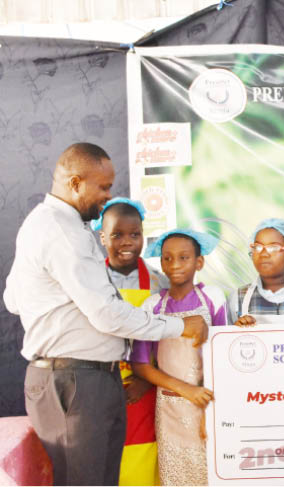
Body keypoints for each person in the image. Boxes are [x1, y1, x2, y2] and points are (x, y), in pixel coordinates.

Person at [2, 143, 208, 486]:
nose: (107, 196)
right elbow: (108, 316)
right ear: (76, 183)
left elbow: (12, 299)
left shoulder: (44, 224)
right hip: (75, 381)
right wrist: (180, 325)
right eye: (103, 187)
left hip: (85, 378)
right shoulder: (63, 233)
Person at [131, 229, 227, 486]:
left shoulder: (213, 299)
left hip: (206, 403)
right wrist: (184, 389)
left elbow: (222, 360)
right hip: (169, 407)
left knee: (209, 474)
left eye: (184, 258)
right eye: (167, 258)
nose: (174, 265)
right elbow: (140, 364)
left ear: (199, 262)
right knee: (175, 477)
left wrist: (213, 412)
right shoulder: (152, 307)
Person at [93, 197, 165, 486]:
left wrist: (148, 379)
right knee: (106, 456)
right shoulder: (90, 281)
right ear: (101, 237)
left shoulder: (160, 283)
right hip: (101, 384)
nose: (127, 242)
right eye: (117, 235)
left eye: (135, 235)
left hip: (144, 386)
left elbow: (168, 339)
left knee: (144, 455)